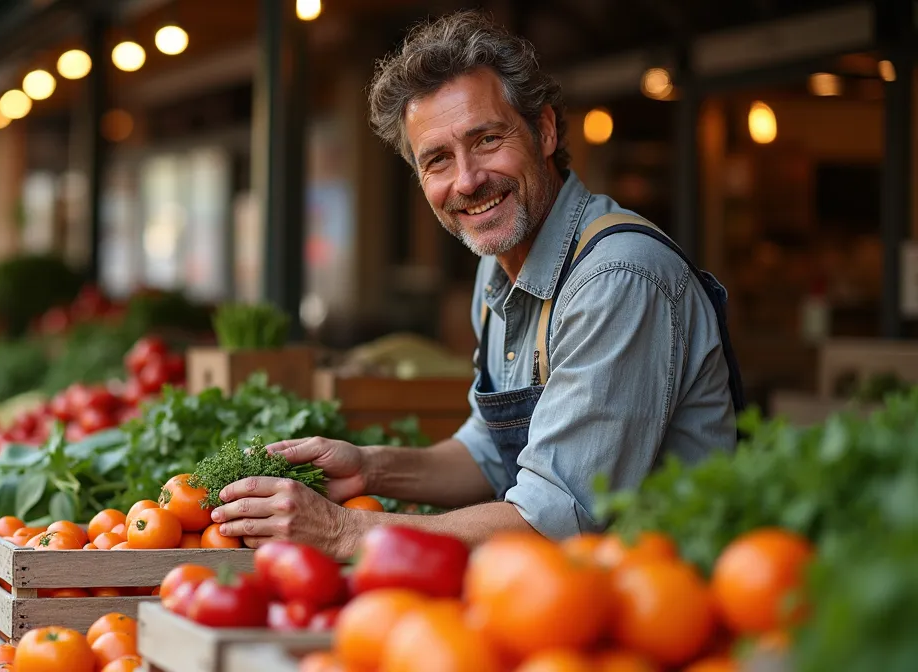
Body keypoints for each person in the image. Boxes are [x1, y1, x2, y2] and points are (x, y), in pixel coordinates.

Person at [212, 11, 743, 558]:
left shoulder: (616, 278)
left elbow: (554, 518)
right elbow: (490, 449)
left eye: (487, 140)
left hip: (668, 608)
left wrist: (342, 530)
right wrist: (369, 467)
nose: (466, 181)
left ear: (544, 130)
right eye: (437, 160)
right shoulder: (500, 267)